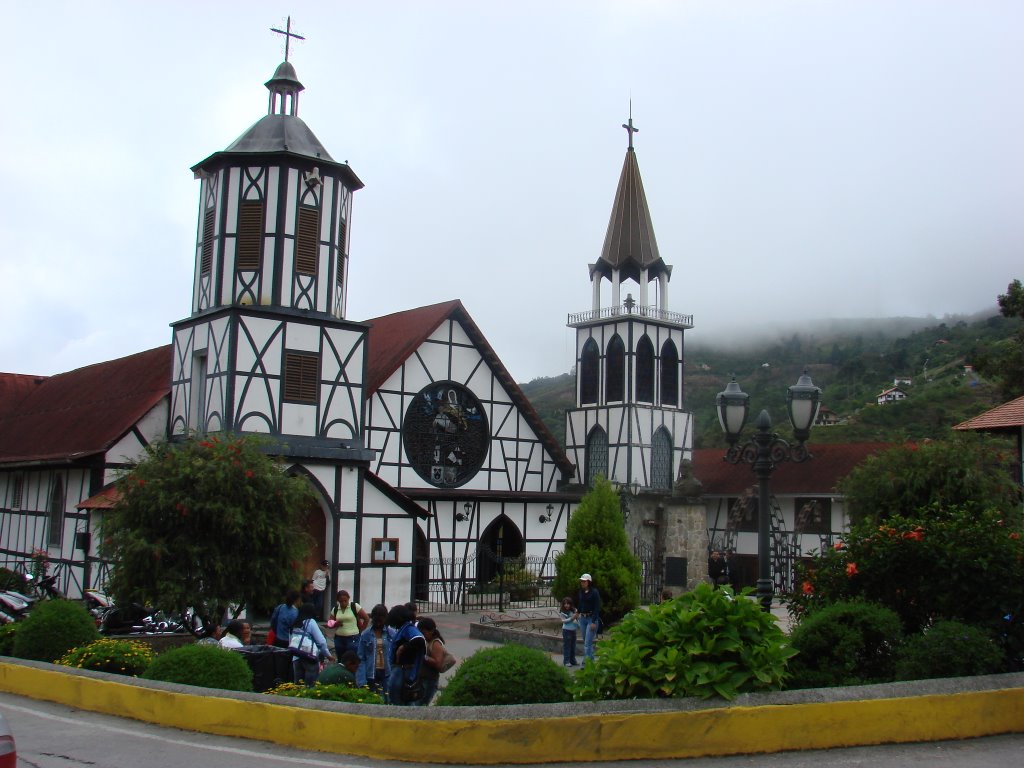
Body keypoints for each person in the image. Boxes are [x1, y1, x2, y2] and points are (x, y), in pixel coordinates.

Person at [387, 604, 426, 706]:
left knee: (399, 697)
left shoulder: (408, 629)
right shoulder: (403, 628)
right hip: (401, 669)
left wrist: (403, 647)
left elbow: (419, 640)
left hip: (404, 670)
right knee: (401, 697)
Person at [290, 602, 333, 687]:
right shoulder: (310, 622)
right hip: (309, 657)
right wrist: (328, 655)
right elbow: (321, 642)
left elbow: (291, 641)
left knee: (298, 686)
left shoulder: (295, 623)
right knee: (310, 686)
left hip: (296, 657)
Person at [356, 603, 393, 697]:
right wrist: (361, 680)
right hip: (371, 673)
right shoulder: (365, 634)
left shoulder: (391, 633)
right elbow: (361, 658)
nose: (378, 623)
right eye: (376, 620)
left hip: (387, 673)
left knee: (387, 698)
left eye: (381, 620)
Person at [330, 589, 369, 658]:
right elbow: (330, 623)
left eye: (345, 601)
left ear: (348, 598)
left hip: (353, 638)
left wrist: (362, 630)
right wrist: (335, 623)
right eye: (341, 601)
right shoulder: (335, 609)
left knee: (352, 658)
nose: (343, 603)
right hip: (339, 638)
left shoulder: (354, 606)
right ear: (338, 601)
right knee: (340, 658)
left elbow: (366, 618)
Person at [417, 617, 446, 706]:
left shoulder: (436, 643)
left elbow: (438, 663)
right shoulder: (427, 641)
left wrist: (423, 657)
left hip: (429, 680)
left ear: (431, 631)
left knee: (422, 704)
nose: (422, 635)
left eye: (423, 632)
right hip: (422, 679)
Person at [575, 573, 601, 663]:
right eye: (581, 581)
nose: (582, 583)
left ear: (588, 582)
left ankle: (585, 663)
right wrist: (577, 613)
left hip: (591, 618)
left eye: (584, 581)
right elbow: (580, 603)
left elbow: (597, 607)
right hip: (583, 618)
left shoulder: (594, 592)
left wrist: (593, 621)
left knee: (587, 643)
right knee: (586, 641)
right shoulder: (581, 592)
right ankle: (591, 661)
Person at [558, 596, 579, 667]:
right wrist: (571, 618)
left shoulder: (574, 610)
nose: (566, 605)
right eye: (565, 604)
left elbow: (578, 617)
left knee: (573, 646)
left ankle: (572, 660)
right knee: (567, 646)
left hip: (573, 630)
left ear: (571, 604)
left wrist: (577, 617)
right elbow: (564, 621)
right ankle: (566, 661)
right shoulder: (562, 612)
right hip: (566, 631)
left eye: (568, 603)